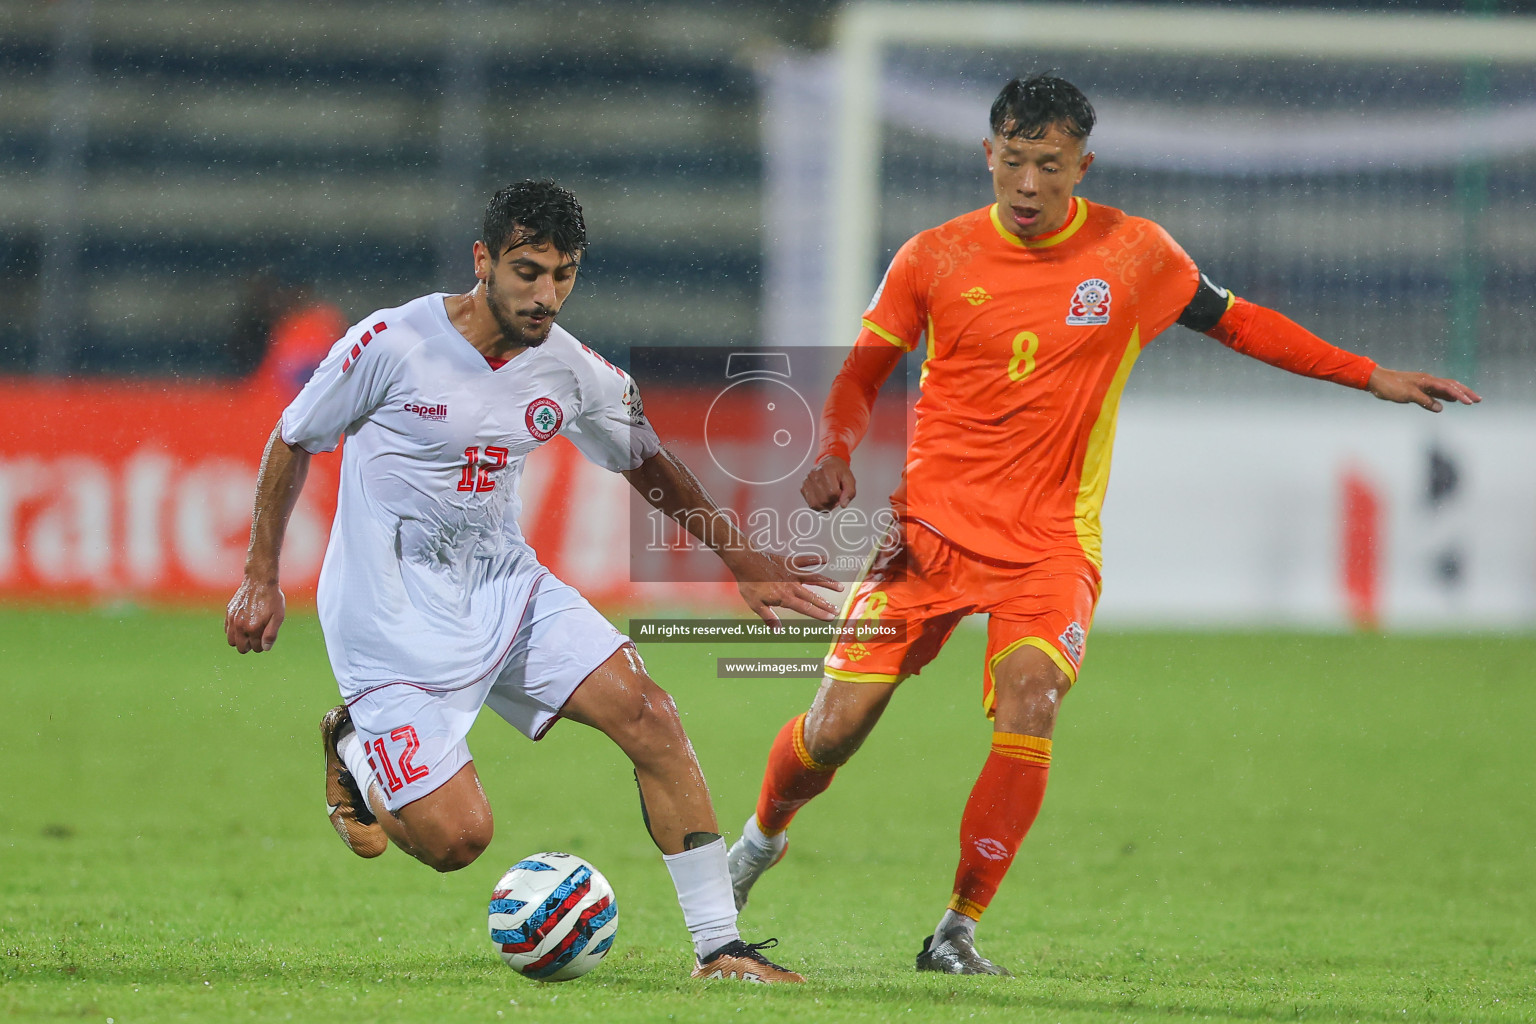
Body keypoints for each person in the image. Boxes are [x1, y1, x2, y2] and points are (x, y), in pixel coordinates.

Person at [725, 74, 1481, 976]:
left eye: (1050, 165)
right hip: (924, 538)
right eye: (1013, 162)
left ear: (1083, 163)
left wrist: (1370, 374)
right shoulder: (933, 257)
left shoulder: (1134, 254)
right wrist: (838, 450)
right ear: (988, 156)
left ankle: (957, 929)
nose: (1030, 184)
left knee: (1031, 702)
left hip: (1050, 546)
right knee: (834, 732)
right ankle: (759, 843)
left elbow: (1239, 324)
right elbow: (860, 371)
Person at [224, 180, 840, 984]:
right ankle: (354, 746)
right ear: (483, 261)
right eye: (527, 271)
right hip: (390, 616)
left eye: (563, 275)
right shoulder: (390, 341)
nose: (545, 294)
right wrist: (259, 577)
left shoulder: (569, 369)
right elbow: (293, 436)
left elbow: (645, 459)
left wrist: (740, 556)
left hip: (506, 589)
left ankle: (719, 948)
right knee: (455, 842)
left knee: (650, 713)